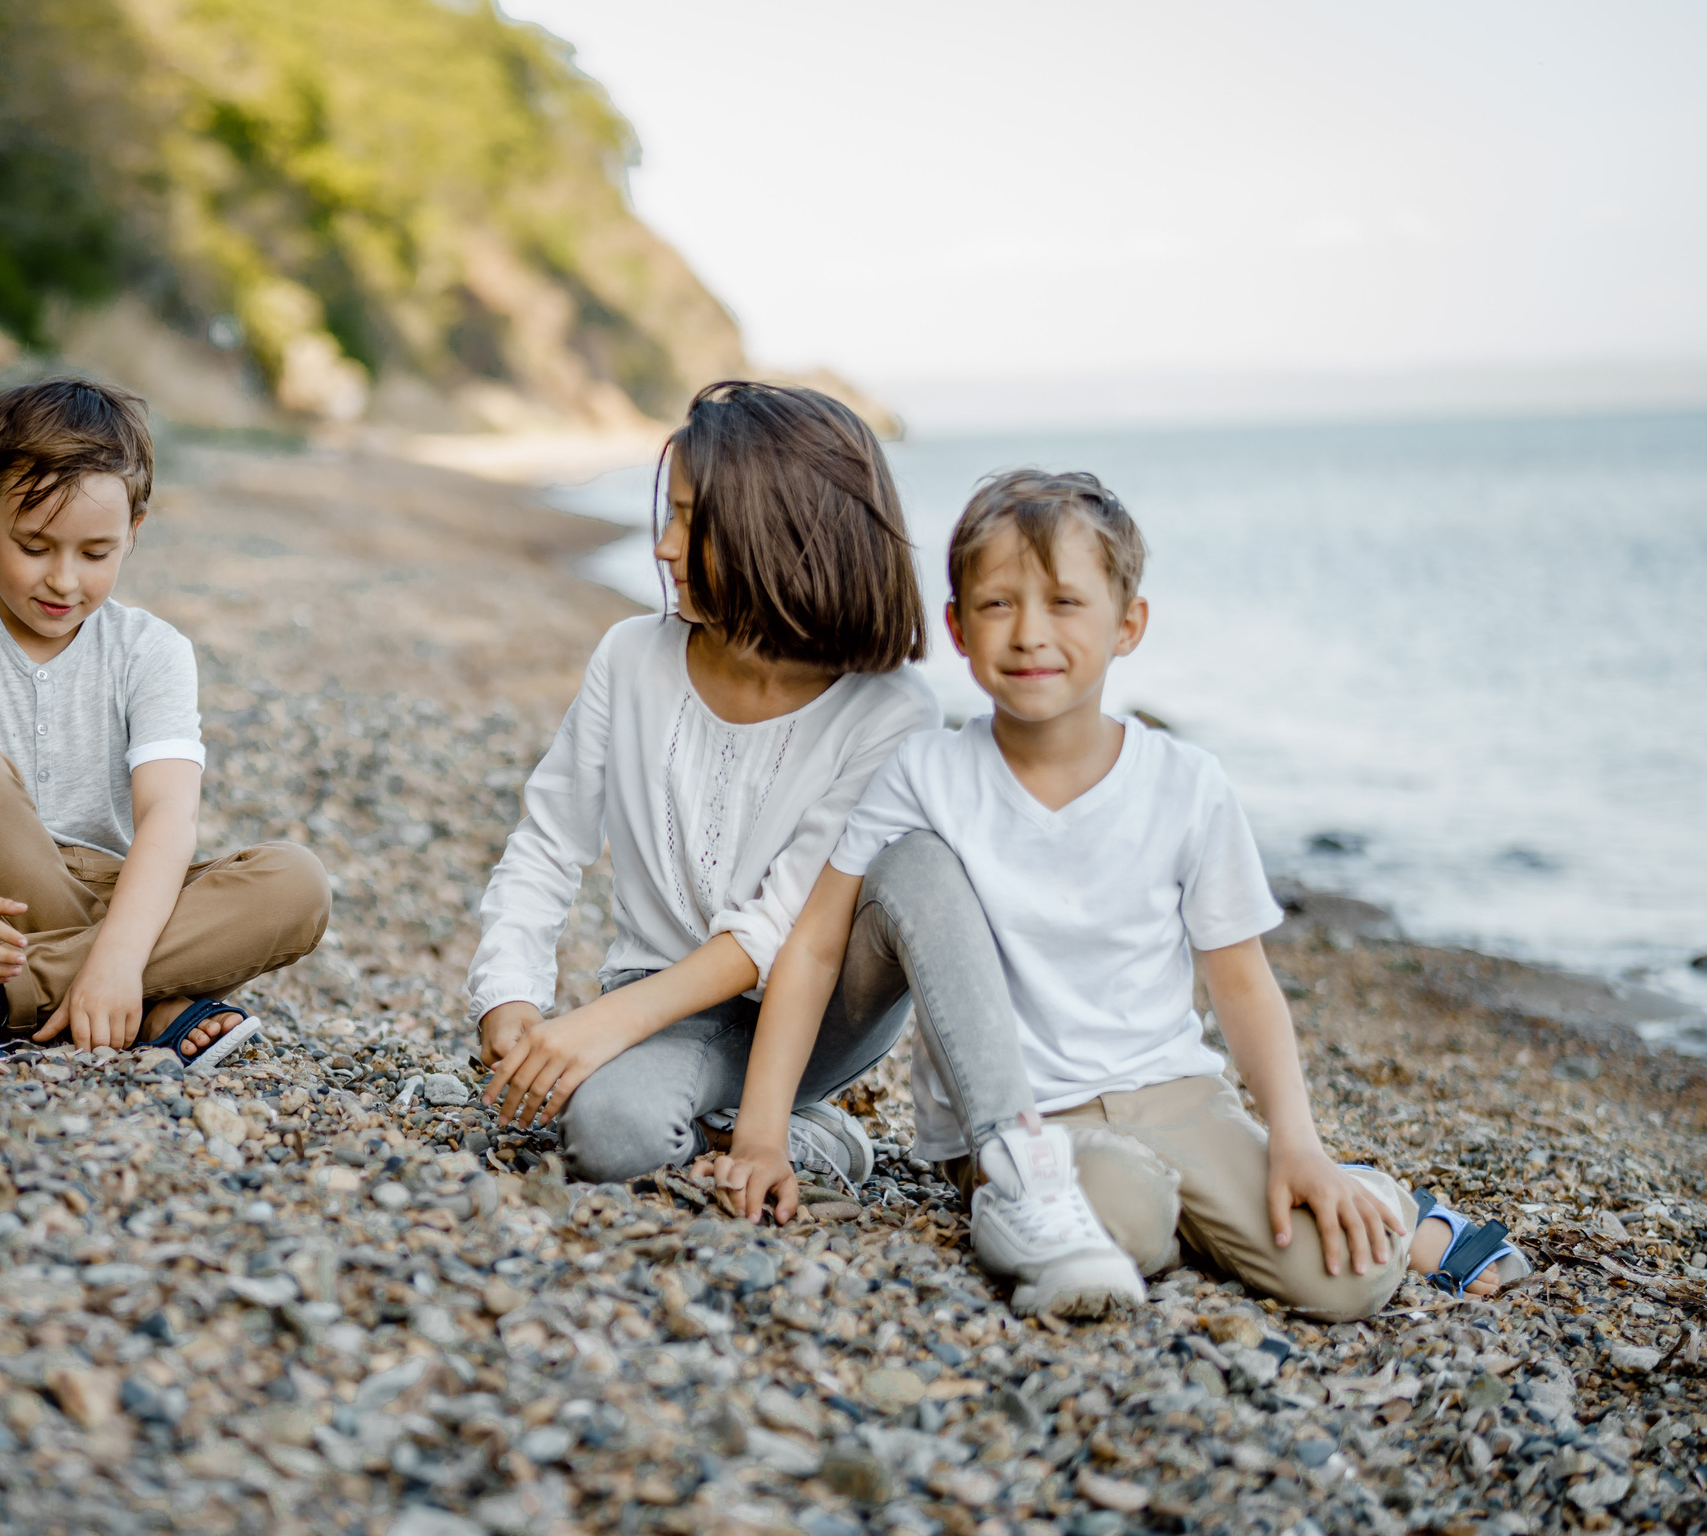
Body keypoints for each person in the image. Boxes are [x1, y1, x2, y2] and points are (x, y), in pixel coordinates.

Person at [702, 468, 1528, 1321]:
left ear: (1128, 624)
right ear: (954, 625)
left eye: (1066, 603)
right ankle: (1143, 1208)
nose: (1029, 633)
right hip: (1022, 1124)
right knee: (1125, 1221)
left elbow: (1242, 985)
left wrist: (1298, 1146)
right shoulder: (928, 773)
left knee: (1347, 1281)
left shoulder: (1187, 784)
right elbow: (817, 941)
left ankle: (1389, 1201)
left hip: (1175, 1098)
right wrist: (763, 1133)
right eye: (996, 605)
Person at [470, 380, 1021, 1192]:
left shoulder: (891, 709)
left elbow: (784, 927)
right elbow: (549, 840)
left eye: (693, 521)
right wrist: (509, 991)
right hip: (660, 995)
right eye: (669, 514)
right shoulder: (629, 658)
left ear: (786, 535)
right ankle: (805, 1139)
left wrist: (599, 1027)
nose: (663, 546)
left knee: (923, 863)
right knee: (609, 1133)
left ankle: (1010, 1155)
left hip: (825, 1006)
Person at [0, 376, 328, 1067]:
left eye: (96, 554)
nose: (64, 580)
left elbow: (168, 820)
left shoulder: (151, 652)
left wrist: (121, 953)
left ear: (133, 532)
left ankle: (5, 997)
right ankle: (156, 1000)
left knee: (296, 883)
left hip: (120, 889)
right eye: (34, 546)